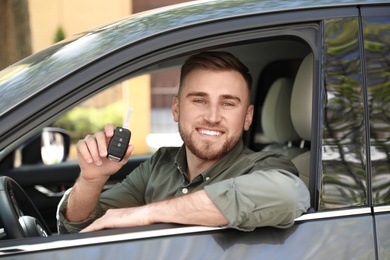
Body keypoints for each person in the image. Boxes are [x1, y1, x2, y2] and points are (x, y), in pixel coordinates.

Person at [57, 51, 310, 234]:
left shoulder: (266, 165)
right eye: (199, 100)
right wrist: (91, 180)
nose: (212, 117)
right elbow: (81, 228)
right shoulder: (159, 164)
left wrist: (146, 213)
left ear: (248, 117)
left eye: (228, 103)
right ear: (176, 109)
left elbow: (290, 194)